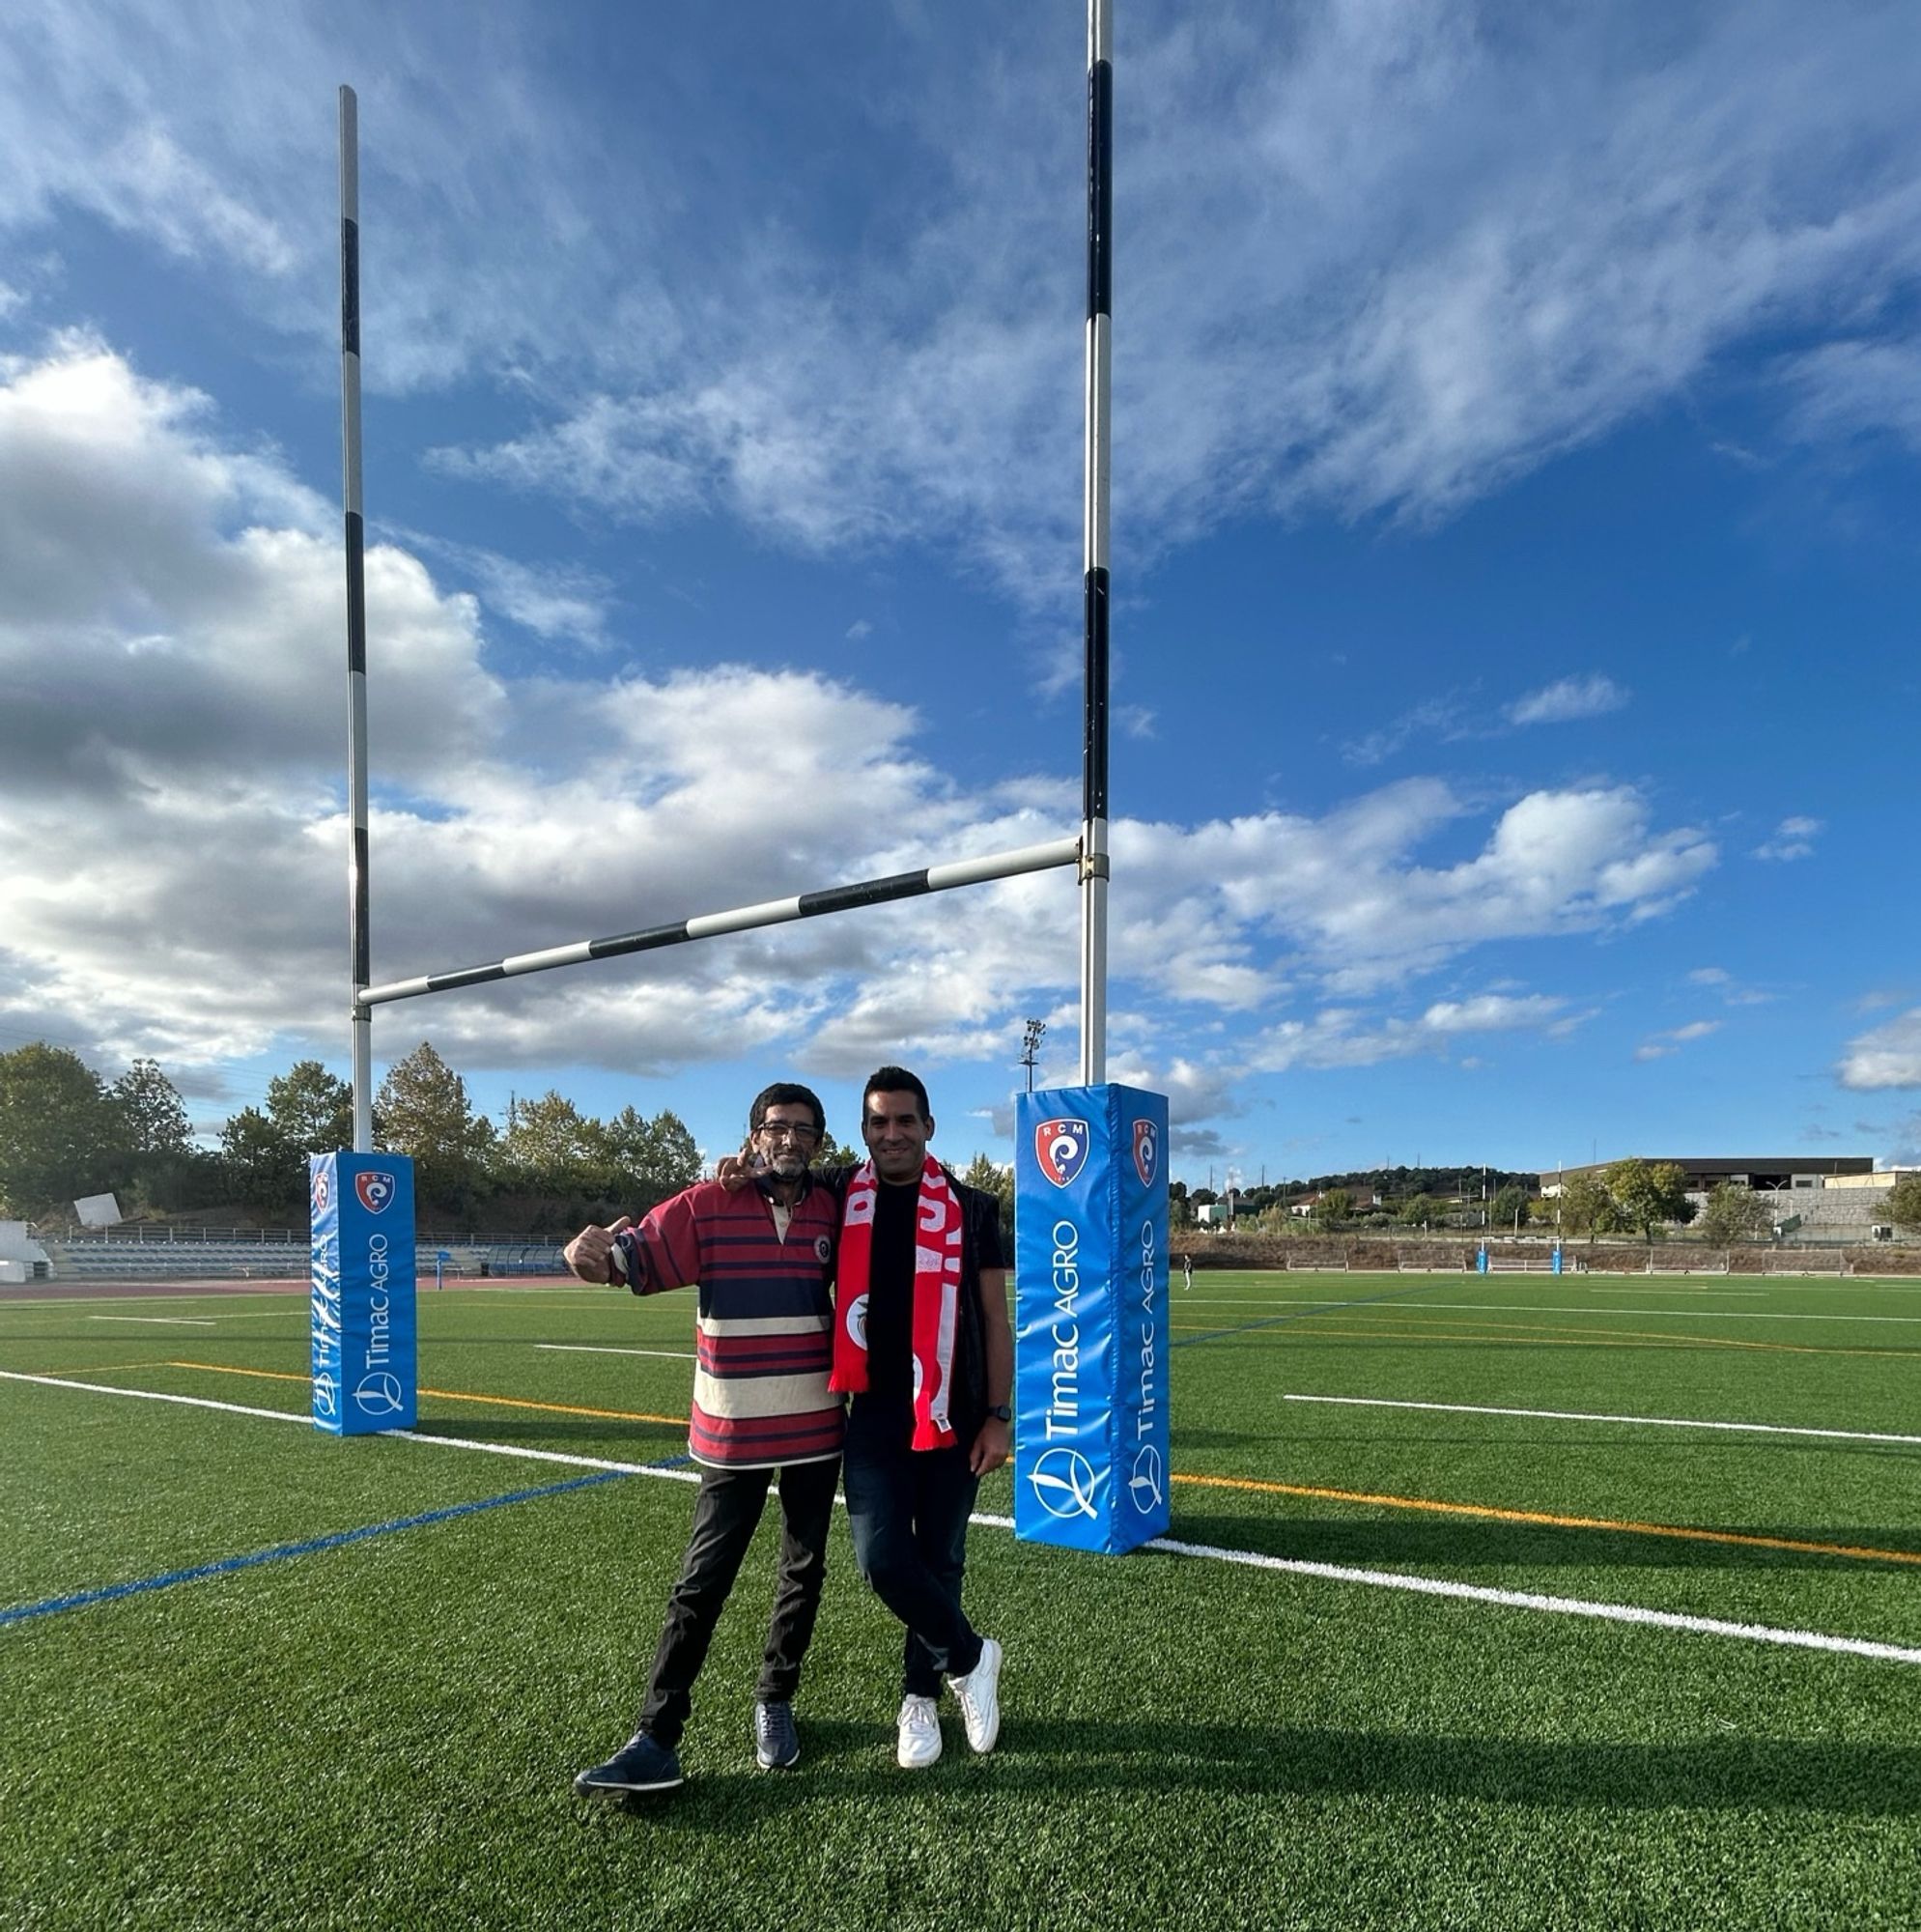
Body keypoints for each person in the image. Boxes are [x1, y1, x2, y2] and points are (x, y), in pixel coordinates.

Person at [563, 1082, 841, 1799]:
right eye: (776, 1127)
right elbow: (623, 1260)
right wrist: (588, 1254)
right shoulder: (706, 1204)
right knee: (700, 1583)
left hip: (816, 1425)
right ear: (753, 1137)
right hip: (733, 1429)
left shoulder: (838, 1206)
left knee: (802, 1572)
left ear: (818, 1142)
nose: (789, 1139)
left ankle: (775, 1700)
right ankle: (656, 1737)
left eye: (803, 1129)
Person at [833, 1065, 1013, 1770]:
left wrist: (998, 1416)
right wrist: (738, 1166)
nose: (892, 1133)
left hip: (955, 1410)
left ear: (929, 1127)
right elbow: (770, 1183)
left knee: (940, 1559)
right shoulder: (838, 1195)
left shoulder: (973, 1207)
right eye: (878, 1121)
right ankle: (972, 1657)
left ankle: (918, 1699)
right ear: (864, 1131)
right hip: (874, 1411)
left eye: (905, 1120)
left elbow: (996, 1320)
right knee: (882, 1560)